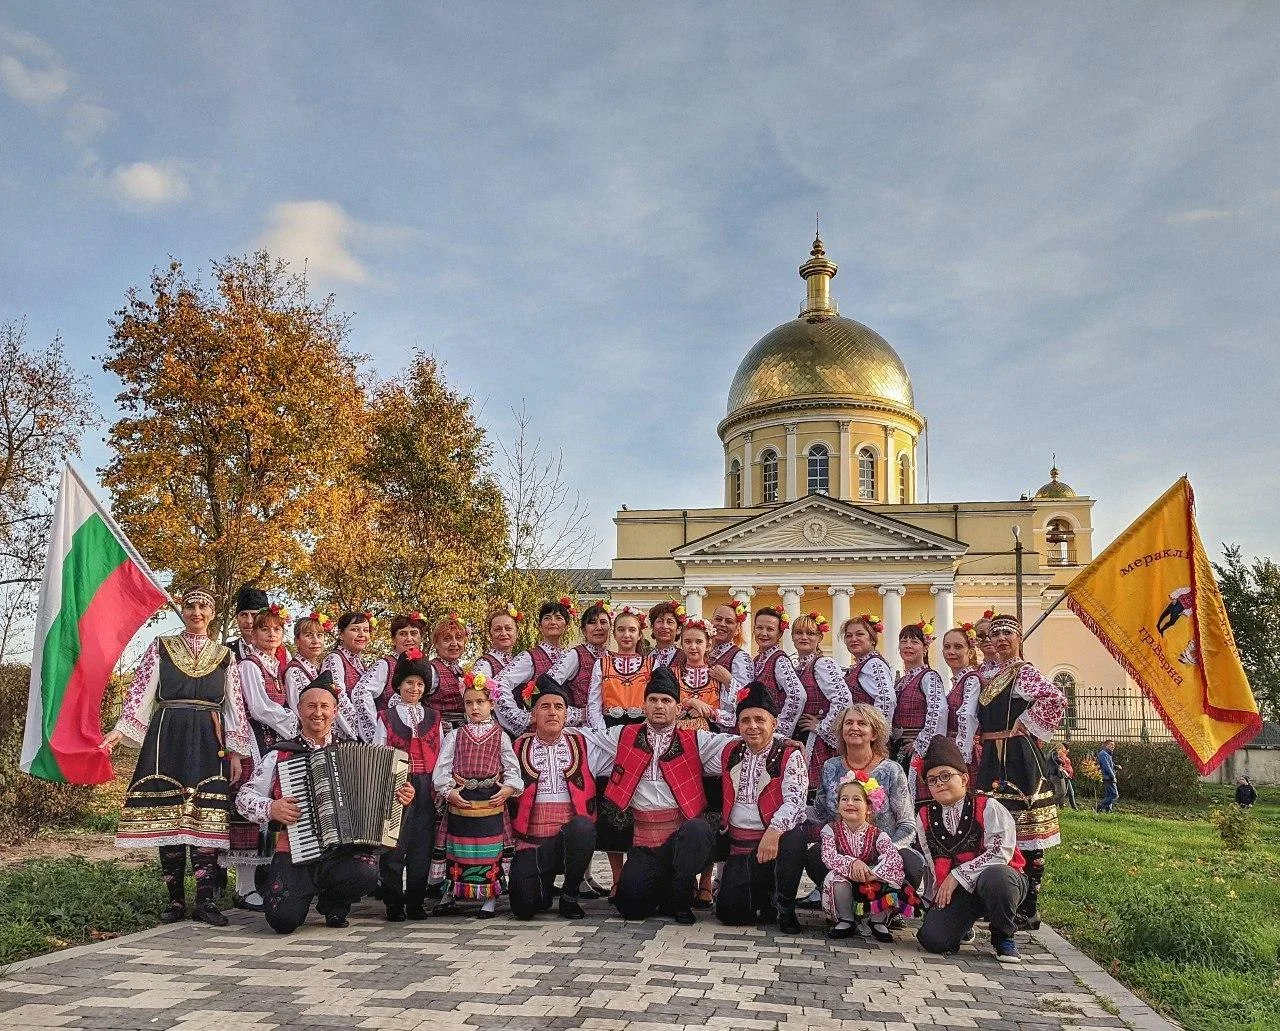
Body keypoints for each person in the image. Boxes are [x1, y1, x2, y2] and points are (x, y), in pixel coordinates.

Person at [102, 586, 252, 927]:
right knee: (168, 816)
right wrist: (120, 730)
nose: (196, 612)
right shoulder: (162, 647)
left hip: (208, 739)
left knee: (206, 817)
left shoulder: (225, 656)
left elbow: (235, 706)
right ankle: (175, 900)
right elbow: (140, 694)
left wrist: (236, 752)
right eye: (190, 606)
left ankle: (205, 901)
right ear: (182, 611)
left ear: (213, 613)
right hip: (166, 736)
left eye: (203, 607)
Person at [236, 671, 415, 934]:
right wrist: (271, 808)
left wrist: (402, 799)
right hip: (295, 852)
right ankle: (302, 893)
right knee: (282, 921)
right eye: (311, 706)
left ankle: (332, 902)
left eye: (324, 706)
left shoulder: (355, 751)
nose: (318, 712)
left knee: (366, 872)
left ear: (334, 711)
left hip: (342, 853)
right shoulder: (282, 754)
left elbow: (382, 802)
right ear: (299, 710)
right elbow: (244, 798)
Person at [586, 666, 739, 924]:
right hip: (644, 843)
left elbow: (735, 743)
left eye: (666, 701)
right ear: (644, 705)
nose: (659, 706)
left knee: (698, 829)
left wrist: (779, 741)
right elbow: (585, 737)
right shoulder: (623, 734)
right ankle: (664, 889)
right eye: (653, 700)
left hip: (680, 841)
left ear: (678, 708)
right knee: (630, 907)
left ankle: (682, 889)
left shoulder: (696, 739)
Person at [976, 613, 1066, 927]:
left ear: (1019, 639)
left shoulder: (1023, 672)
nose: (1001, 639)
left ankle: (1029, 908)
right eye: (996, 634)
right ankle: (1000, 898)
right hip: (992, 756)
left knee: (1028, 834)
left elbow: (1055, 698)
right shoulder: (990, 673)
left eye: (1007, 634)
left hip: (1017, 757)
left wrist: (1025, 722)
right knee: (995, 829)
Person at [915, 735, 1029, 964]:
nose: (939, 783)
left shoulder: (988, 806)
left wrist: (957, 874)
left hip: (1000, 883)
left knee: (997, 876)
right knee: (933, 940)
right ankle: (963, 926)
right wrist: (933, 904)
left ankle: (1003, 936)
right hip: (961, 892)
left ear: (964, 778)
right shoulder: (925, 816)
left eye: (946, 776)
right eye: (932, 780)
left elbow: (1001, 852)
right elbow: (931, 863)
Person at [507, 676, 605, 920]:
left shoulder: (585, 744)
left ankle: (570, 894)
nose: (552, 712)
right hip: (531, 844)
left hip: (569, 842)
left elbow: (621, 743)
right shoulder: (516, 747)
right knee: (524, 908)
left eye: (558, 707)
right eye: (545, 706)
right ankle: (544, 887)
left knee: (583, 827)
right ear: (533, 715)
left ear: (566, 715)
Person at [715, 680, 809, 934]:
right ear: (738, 725)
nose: (752, 726)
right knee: (730, 914)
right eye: (745, 720)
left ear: (774, 723)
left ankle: (785, 906)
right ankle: (763, 899)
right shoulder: (730, 750)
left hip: (774, 842)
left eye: (760, 719)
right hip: (739, 845)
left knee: (794, 838)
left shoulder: (789, 755)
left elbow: (795, 801)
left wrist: (774, 832)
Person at [810, 704, 926, 904]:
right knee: (814, 855)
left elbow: (907, 824)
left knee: (912, 863)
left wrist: (887, 853)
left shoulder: (892, 770)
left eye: (862, 723)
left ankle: (886, 907)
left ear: (874, 734)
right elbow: (819, 813)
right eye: (849, 723)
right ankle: (843, 904)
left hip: (884, 852)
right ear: (841, 730)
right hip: (843, 854)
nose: (854, 727)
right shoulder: (831, 767)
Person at [226, 606, 300, 910]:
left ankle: (262, 881)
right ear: (253, 634)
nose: (271, 635)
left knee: (269, 812)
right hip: (253, 744)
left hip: (272, 745)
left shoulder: (277, 667)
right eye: (264, 629)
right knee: (249, 814)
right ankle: (243, 887)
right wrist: (294, 723)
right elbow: (258, 707)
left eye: (276, 630)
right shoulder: (249, 665)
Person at [432, 670, 522, 918]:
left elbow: (512, 768)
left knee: (489, 849)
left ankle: (489, 897)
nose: (474, 707)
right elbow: (442, 767)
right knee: (457, 848)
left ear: (491, 704)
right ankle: (450, 893)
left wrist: (509, 788)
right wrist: (448, 791)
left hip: (491, 801)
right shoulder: (455, 735)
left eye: (480, 702)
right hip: (462, 801)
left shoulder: (501, 736)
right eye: (469, 702)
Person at [586, 604, 654, 893]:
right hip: (610, 735)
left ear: (640, 633)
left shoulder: (651, 665)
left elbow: (655, 701)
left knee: (640, 801)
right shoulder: (602, 663)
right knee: (613, 804)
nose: (626, 635)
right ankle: (616, 878)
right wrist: (604, 735)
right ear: (613, 632)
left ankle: (640, 873)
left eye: (632, 630)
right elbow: (593, 703)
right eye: (622, 629)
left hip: (640, 735)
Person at [374, 648, 443, 921]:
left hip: (427, 785)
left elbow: (441, 754)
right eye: (409, 683)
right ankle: (393, 902)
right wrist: (389, 784)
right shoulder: (386, 717)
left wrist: (439, 787)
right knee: (394, 844)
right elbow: (379, 754)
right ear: (398, 685)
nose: (414, 688)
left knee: (421, 846)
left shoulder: (434, 717)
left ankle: (416, 901)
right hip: (398, 784)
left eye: (419, 684)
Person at [820, 771, 914, 941]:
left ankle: (878, 920)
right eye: (844, 799)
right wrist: (853, 863)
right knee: (835, 878)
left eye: (856, 799)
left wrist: (873, 874)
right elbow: (829, 857)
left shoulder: (878, 834)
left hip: (870, 883)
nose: (850, 803)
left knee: (891, 878)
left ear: (869, 807)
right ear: (838, 805)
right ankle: (846, 919)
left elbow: (892, 858)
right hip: (846, 882)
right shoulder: (830, 830)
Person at [790, 613, 852, 800]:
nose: (804, 637)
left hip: (817, 742)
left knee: (819, 793)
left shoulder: (823, 664)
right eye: (799, 633)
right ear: (792, 637)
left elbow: (843, 699)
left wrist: (821, 726)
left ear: (819, 637)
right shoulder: (799, 667)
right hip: (802, 737)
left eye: (810, 633)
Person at [493, 599, 572, 735]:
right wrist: (520, 717)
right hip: (538, 733)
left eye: (558, 618)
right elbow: (499, 684)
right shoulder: (530, 657)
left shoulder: (572, 656)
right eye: (547, 618)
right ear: (540, 626)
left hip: (569, 731)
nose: (553, 622)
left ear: (566, 626)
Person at [350, 612, 429, 740]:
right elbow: (361, 693)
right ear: (393, 639)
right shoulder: (385, 665)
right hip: (390, 741)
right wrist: (376, 733)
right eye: (403, 634)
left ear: (421, 638)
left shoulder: (424, 665)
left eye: (414, 633)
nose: (409, 639)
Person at [892, 621, 948, 800]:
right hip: (899, 747)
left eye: (914, 642)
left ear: (925, 648)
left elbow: (938, 711)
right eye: (904, 641)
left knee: (918, 797)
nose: (908, 645)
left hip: (917, 749)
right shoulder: (901, 682)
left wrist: (920, 743)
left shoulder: (929, 677)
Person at [543, 600, 612, 729]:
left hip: (611, 727)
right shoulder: (575, 655)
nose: (598, 627)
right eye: (592, 623)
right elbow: (546, 685)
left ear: (610, 627)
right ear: (584, 630)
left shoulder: (612, 658)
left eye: (603, 622)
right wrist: (578, 714)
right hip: (583, 729)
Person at [750, 608, 805, 739]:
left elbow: (798, 695)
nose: (763, 633)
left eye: (770, 629)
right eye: (759, 628)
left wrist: (779, 730)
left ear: (779, 634)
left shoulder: (780, 660)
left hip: (770, 734)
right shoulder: (757, 660)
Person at [320, 611, 373, 740]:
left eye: (366, 630)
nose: (362, 634)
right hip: (343, 734)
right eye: (355, 629)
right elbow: (338, 697)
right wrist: (362, 732)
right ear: (341, 634)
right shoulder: (334, 659)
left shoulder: (359, 662)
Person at [841, 614, 896, 725]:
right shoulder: (863, 664)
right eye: (849, 636)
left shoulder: (873, 664)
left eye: (860, 634)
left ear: (872, 639)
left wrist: (876, 730)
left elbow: (886, 700)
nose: (853, 639)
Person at [941, 626, 982, 774]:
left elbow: (967, 716)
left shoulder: (972, 679)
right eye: (947, 647)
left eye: (958, 647)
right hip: (952, 749)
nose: (951, 651)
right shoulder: (959, 681)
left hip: (964, 753)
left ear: (970, 652)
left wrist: (959, 758)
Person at [428, 612, 470, 730]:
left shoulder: (460, 671)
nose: (454, 643)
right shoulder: (431, 670)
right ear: (436, 644)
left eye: (459, 638)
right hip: (440, 733)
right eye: (447, 639)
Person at [284, 612, 332, 713]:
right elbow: (301, 712)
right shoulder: (295, 671)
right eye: (309, 635)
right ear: (297, 641)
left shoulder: (320, 668)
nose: (316, 641)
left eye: (319, 635)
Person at [709, 601, 753, 695]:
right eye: (718, 619)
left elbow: (747, 697)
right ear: (711, 622)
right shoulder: (704, 652)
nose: (722, 624)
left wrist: (728, 680)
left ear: (737, 630)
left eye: (729, 622)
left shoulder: (740, 657)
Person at [472, 602, 521, 683]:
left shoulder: (519, 661)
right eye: (497, 630)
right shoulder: (485, 664)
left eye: (508, 628)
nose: (503, 633)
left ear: (517, 632)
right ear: (490, 634)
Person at [227, 583, 268, 662]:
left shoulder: (279, 652)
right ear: (236, 618)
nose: (249, 621)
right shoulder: (225, 651)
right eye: (244, 615)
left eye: (254, 615)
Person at [646, 599, 685, 669]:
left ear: (678, 629)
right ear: (652, 627)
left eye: (670, 622)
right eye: (660, 621)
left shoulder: (685, 658)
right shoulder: (644, 658)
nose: (664, 626)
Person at [1049, 744, 1078, 810]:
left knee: (1066, 792)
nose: (1068, 750)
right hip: (1063, 775)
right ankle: (1057, 805)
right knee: (1063, 792)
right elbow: (1060, 765)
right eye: (1066, 749)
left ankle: (1062, 806)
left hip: (1067, 776)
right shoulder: (1058, 755)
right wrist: (1065, 769)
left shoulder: (1062, 755)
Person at [1097, 740, 1121, 813]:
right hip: (1108, 777)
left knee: (1109, 795)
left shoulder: (1107, 754)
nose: (1113, 746)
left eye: (1114, 745)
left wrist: (1116, 766)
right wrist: (1113, 777)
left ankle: (1108, 811)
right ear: (1106, 745)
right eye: (1111, 745)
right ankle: (1100, 806)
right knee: (1114, 795)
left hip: (1108, 777)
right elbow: (1106, 766)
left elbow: (1111, 765)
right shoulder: (1103, 754)